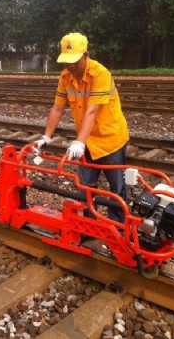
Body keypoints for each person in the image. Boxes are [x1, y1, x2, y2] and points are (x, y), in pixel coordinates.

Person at [36, 32, 129, 223]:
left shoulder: (100, 74)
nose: (70, 66)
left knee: (117, 189)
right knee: (85, 187)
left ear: (87, 54)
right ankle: (87, 227)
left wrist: (79, 142)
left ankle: (119, 230)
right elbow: (57, 108)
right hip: (86, 141)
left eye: (75, 61)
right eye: (66, 62)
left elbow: (91, 112)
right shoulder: (65, 76)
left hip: (109, 139)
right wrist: (46, 137)